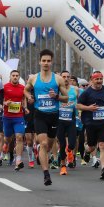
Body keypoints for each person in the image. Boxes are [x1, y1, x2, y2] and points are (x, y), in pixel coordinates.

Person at [25, 49, 68, 186]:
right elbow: (25, 90)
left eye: (48, 61)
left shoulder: (58, 79)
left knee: (49, 145)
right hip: (40, 115)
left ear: (52, 62)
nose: (46, 63)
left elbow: (66, 98)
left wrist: (56, 97)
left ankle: (42, 153)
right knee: (43, 143)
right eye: (44, 60)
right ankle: (46, 174)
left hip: (54, 115)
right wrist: (29, 97)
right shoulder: (33, 78)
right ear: (39, 62)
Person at [77, 71, 104, 180]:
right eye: (97, 79)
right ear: (92, 80)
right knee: (92, 147)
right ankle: (86, 151)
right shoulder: (87, 92)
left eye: (101, 79)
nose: (99, 81)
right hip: (91, 123)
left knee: (103, 145)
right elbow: (78, 105)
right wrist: (89, 108)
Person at [2, 70, 28, 171]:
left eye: (17, 75)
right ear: (10, 76)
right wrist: (4, 103)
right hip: (7, 117)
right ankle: (6, 144)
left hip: (19, 116)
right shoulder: (5, 87)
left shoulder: (22, 88)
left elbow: (23, 99)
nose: (15, 77)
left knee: (19, 137)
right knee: (8, 138)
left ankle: (18, 160)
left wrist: (25, 108)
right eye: (13, 75)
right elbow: (0, 99)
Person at [57, 70, 80, 175]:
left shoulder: (75, 90)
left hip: (71, 120)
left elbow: (82, 100)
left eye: (67, 77)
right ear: (60, 78)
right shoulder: (57, 90)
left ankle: (69, 150)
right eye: (63, 77)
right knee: (61, 144)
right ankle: (63, 166)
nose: (66, 78)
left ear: (70, 78)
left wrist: (81, 111)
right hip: (59, 120)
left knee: (72, 142)